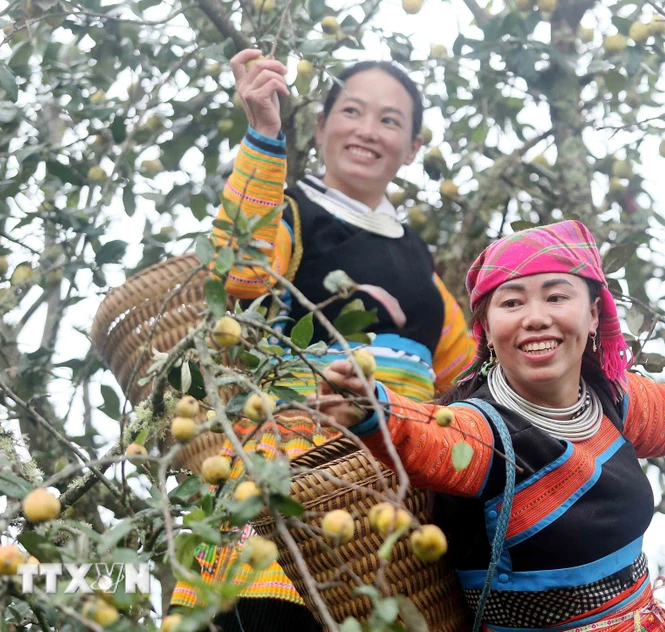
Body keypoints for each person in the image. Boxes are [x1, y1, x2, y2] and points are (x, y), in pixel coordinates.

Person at [315, 220, 665, 631]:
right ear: (486, 327)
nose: (536, 317)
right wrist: (374, 411)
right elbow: (428, 439)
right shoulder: (487, 433)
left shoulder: (611, 398)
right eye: (512, 302)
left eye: (556, 296)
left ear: (594, 314)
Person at [170, 50, 476, 631]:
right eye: (353, 111)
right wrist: (264, 135)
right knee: (257, 606)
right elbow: (237, 274)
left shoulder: (419, 261)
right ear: (320, 126)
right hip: (300, 462)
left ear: (412, 149)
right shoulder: (293, 217)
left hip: (398, 486)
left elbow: (464, 376)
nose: (367, 130)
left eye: (390, 121)